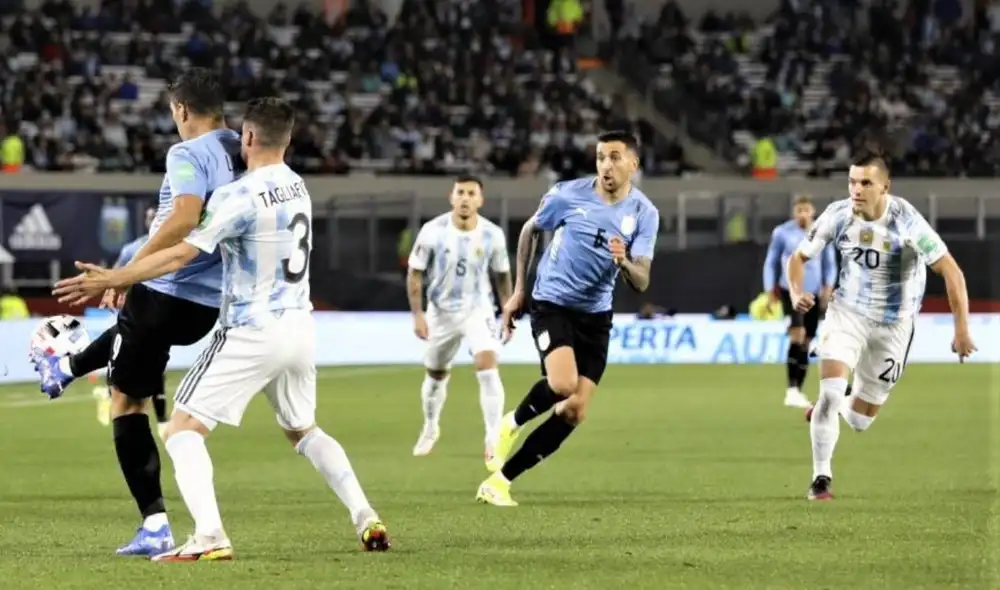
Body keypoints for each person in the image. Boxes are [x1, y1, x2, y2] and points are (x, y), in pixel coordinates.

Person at [53, 97, 390, 560]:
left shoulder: (240, 196)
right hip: (300, 329)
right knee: (304, 430)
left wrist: (118, 276)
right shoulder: (298, 186)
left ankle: (209, 536)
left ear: (248, 137)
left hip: (252, 330)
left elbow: (181, 253)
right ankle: (366, 517)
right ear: (287, 140)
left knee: (182, 430)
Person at [37, 68, 241, 556]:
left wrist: (130, 267)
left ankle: (155, 524)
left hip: (168, 288)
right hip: (210, 303)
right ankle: (64, 368)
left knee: (127, 403)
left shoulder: (187, 152)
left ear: (181, 110)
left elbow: (185, 215)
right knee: (134, 345)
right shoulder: (242, 147)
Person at [476, 130, 660, 506]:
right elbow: (530, 229)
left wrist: (622, 260)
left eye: (614, 157)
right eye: (600, 157)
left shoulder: (645, 213)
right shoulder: (567, 194)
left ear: (633, 164)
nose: (606, 165)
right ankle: (510, 423)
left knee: (574, 411)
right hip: (552, 302)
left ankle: (500, 483)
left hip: (595, 315)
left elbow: (641, 280)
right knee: (562, 385)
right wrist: (518, 291)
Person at [788, 149, 976, 501]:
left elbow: (950, 270)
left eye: (865, 183)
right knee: (829, 392)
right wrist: (797, 290)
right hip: (848, 313)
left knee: (859, 421)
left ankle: (842, 401)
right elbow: (798, 257)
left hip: (895, 324)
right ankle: (821, 479)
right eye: (851, 182)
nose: (856, 190)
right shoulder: (839, 215)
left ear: (884, 186)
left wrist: (961, 329)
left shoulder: (907, 222)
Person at [406, 176, 512, 465]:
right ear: (452, 197)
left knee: (487, 365)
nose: (465, 198)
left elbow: (503, 277)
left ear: (480, 200)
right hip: (440, 312)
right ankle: (430, 426)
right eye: (460, 193)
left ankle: (493, 437)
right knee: (436, 373)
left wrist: (508, 311)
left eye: (471, 193)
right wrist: (418, 313)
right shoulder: (432, 231)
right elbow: (415, 273)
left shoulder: (493, 235)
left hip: (479, 309)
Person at [91, 207, 167, 431]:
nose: (154, 221)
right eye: (151, 218)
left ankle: (159, 418)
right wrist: (113, 290)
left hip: (157, 313)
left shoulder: (174, 245)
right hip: (136, 312)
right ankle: (111, 396)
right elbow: (115, 274)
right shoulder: (133, 248)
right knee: (131, 360)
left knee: (154, 363)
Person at [762, 194, 836, 409]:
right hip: (791, 291)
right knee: (798, 333)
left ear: (812, 211)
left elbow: (830, 264)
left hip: (814, 292)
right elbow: (771, 262)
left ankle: (797, 390)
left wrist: (828, 287)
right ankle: (791, 389)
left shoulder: (823, 232)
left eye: (806, 210)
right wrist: (769, 290)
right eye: (799, 210)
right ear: (794, 212)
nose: (803, 214)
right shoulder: (782, 233)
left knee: (807, 340)